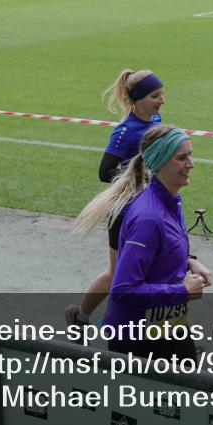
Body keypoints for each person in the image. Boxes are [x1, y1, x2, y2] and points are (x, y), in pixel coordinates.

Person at [65, 69, 165, 330]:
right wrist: (140, 180)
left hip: (151, 210)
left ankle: (168, 331)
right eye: (155, 95)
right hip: (125, 213)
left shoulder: (156, 119)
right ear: (139, 99)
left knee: (156, 268)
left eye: (162, 94)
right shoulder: (125, 132)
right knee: (118, 273)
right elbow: (104, 172)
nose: (161, 100)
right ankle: (81, 316)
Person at [102, 125, 211, 359]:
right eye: (182, 158)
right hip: (138, 341)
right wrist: (181, 291)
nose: (191, 164)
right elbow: (124, 289)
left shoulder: (172, 200)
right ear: (160, 162)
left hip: (169, 328)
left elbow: (161, 253)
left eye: (190, 155)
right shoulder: (148, 218)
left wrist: (189, 262)